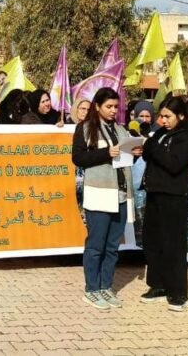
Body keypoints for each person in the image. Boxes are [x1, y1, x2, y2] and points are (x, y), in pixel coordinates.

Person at [71, 87, 141, 311]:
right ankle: (91, 289)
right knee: (96, 245)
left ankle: (105, 286)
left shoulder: (121, 130)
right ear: (98, 106)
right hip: (99, 193)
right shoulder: (85, 128)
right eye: (108, 106)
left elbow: (125, 161)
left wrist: (135, 155)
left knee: (112, 246)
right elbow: (78, 157)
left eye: (115, 107)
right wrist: (105, 154)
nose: (113, 111)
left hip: (120, 194)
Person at [140, 96, 188, 312]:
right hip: (155, 193)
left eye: (168, 116)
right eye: (161, 116)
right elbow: (148, 154)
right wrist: (151, 144)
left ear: (181, 116)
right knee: (153, 241)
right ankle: (158, 285)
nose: (162, 120)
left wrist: (153, 147)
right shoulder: (161, 134)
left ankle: (177, 293)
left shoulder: (187, 138)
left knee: (173, 245)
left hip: (174, 196)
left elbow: (173, 164)